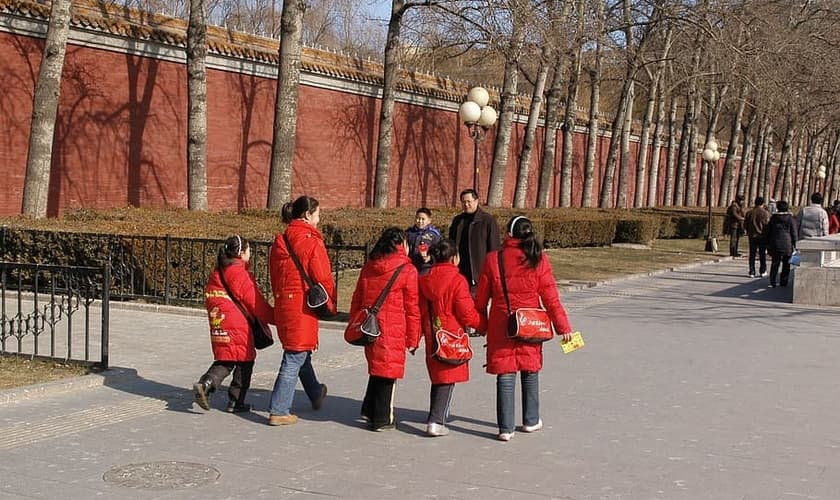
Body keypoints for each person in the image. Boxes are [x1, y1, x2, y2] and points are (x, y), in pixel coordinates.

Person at [474, 216, 574, 442]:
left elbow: (481, 299)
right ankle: (531, 420)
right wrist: (564, 328)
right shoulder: (538, 258)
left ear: (509, 234)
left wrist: (481, 325)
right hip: (531, 323)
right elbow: (551, 299)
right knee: (530, 369)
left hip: (502, 323)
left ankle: (505, 428)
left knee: (505, 372)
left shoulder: (494, 259)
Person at [267, 196, 337, 426]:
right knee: (294, 355)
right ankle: (279, 409)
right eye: (318, 214)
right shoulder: (311, 241)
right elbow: (323, 276)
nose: (319, 219)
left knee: (300, 351)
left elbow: (275, 278)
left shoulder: (281, 241)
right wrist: (331, 302)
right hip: (302, 307)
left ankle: (315, 392)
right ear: (307, 215)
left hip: (284, 303)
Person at [349, 227, 421, 431]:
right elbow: (412, 308)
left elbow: (357, 297)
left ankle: (369, 409)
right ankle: (382, 418)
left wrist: (354, 322)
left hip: (370, 327)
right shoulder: (407, 270)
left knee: (377, 366)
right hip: (393, 328)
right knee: (388, 372)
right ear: (402, 244)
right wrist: (413, 338)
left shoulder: (370, 266)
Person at [193, 235, 275, 413]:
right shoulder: (238, 273)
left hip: (220, 322)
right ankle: (236, 401)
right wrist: (276, 317)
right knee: (245, 361)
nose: (250, 254)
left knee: (226, 358)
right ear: (241, 253)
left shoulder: (218, 272)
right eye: (249, 250)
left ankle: (205, 383)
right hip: (238, 324)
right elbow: (255, 302)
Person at [417, 239, 483, 437]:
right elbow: (466, 312)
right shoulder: (457, 280)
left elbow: (419, 310)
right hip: (452, 334)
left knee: (438, 376)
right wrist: (482, 324)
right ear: (454, 258)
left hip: (433, 332)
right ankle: (436, 420)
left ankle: (435, 415)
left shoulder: (424, 279)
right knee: (447, 377)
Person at [448, 189, 501, 293]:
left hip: (479, 270)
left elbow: (494, 247)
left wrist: (493, 270)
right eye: (463, 202)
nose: (466, 205)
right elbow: (451, 243)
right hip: (460, 268)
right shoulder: (458, 221)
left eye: (469, 201)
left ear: (476, 201)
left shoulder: (487, 220)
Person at [762, 200, 797, 288]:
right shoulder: (790, 219)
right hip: (787, 243)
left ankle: (772, 280)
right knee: (786, 264)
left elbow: (768, 232)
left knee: (775, 262)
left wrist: (767, 243)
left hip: (775, 243)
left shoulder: (773, 219)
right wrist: (795, 244)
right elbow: (794, 233)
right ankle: (783, 281)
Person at [406, 207, 442, 274]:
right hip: (411, 266)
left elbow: (439, 250)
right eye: (418, 218)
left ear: (429, 220)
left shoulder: (434, 235)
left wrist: (430, 258)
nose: (420, 221)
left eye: (423, 219)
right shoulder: (409, 233)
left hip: (427, 267)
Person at [744, 196, 771, 278]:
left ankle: (752, 271)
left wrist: (748, 231)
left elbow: (745, 224)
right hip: (762, 236)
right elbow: (767, 225)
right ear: (763, 203)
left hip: (752, 235)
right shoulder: (765, 213)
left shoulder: (749, 213)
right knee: (762, 254)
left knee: (752, 254)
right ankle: (763, 270)